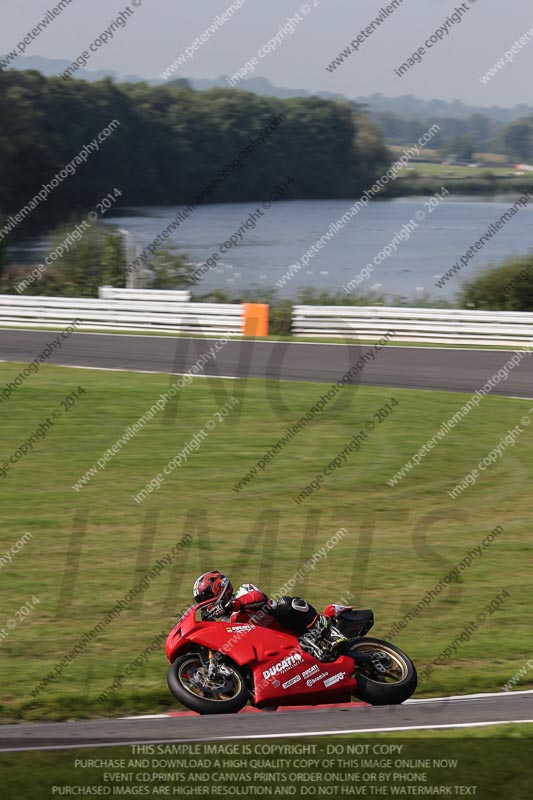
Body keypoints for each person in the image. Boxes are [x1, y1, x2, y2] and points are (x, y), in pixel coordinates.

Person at [192, 570, 347, 660]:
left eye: (206, 598)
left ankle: (328, 631)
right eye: (202, 602)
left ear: (218, 588)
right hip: (274, 651)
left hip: (289, 627)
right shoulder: (225, 623)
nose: (206, 604)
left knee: (285, 603)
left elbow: (258, 597)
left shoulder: (243, 591)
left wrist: (234, 604)